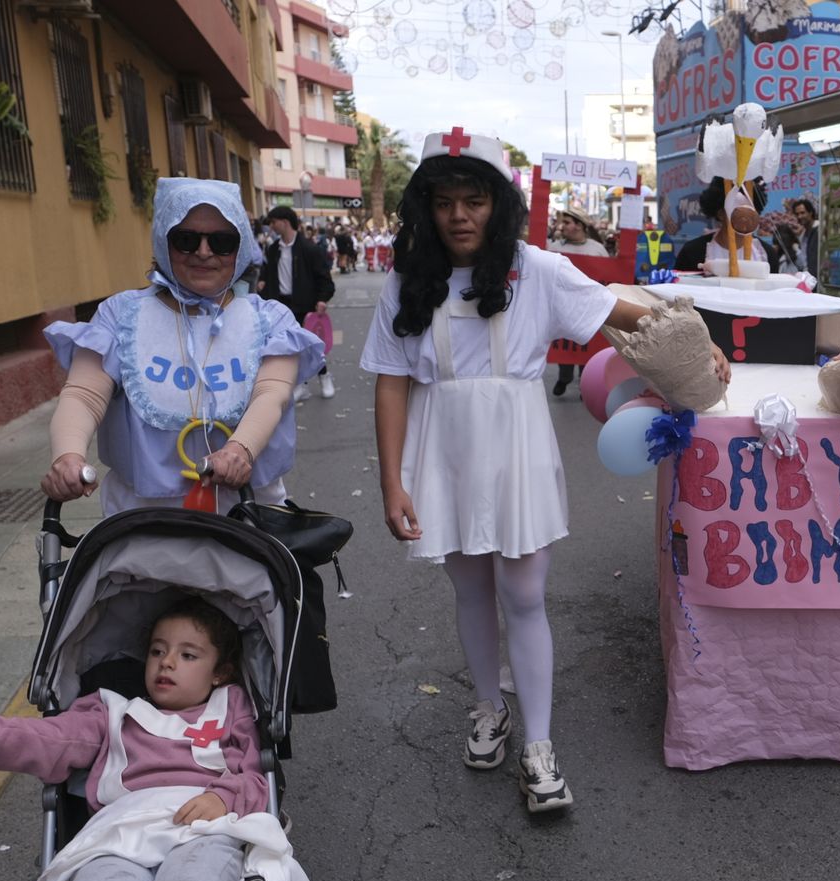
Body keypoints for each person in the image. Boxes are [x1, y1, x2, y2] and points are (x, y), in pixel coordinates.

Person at [359, 128, 730, 812]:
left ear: (497, 204)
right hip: (441, 451)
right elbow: (388, 382)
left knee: (524, 595)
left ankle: (538, 743)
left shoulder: (537, 270)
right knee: (470, 590)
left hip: (517, 448)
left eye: (474, 199)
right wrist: (392, 481)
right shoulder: (407, 281)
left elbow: (629, 312)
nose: (460, 215)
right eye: (445, 201)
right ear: (428, 208)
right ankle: (486, 706)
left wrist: (696, 346)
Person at [0, 598, 309, 881]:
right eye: (157, 650)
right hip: (120, 833)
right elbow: (39, 739)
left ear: (220, 672)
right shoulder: (112, 712)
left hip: (202, 825)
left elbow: (255, 777)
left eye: (188, 655)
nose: (167, 661)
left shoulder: (230, 705)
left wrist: (225, 797)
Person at [40, 180, 324, 517]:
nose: (204, 252)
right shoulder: (121, 316)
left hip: (249, 516)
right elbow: (84, 395)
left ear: (241, 247)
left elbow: (272, 392)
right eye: (186, 240)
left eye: (222, 242)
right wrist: (68, 455)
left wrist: (239, 450)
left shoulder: (270, 319)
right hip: (141, 522)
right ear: (164, 240)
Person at [258, 206, 338, 400]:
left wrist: (322, 299)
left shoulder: (310, 248)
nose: (272, 227)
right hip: (281, 306)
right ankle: (300, 385)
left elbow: (324, 279)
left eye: (274, 222)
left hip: (305, 304)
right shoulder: (273, 249)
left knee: (311, 346)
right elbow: (266, 272)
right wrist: (263, 282)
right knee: (290, 348)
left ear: (284, 222)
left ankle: (325, 377)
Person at [547, 206, 608, 397]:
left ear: (579, 225)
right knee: (565, 343)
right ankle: (564, 378)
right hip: (563, 307)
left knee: (586, 344)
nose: (561, 226)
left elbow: (606, 276)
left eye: (566, 222)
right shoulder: (554, 249)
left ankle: (584, 382)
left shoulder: (597, 249)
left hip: (587, 306)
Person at [672, 178, 780, 274]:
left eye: (750, 210)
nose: (744, 218)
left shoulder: (767, 254)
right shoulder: (693, 252)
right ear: (720, 214)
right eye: (738, 210)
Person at [791, 198, 820, 275]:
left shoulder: (820, 230)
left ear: (810, 213)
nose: (799, 216)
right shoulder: (802, 235)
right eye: (797, 214)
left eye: (802, 213)